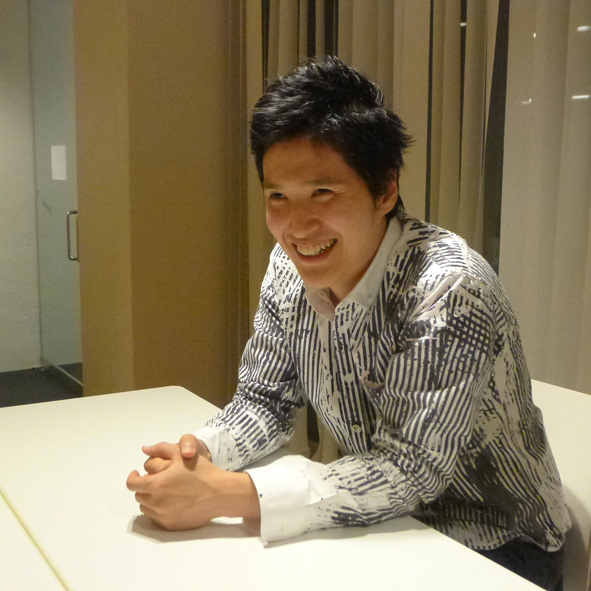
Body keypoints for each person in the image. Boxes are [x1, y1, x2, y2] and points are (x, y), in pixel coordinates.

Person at [127, 56, 570, 590]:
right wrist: (198, 454)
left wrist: (227, 494)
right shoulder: (289, 269)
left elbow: (411, 467)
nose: (297, 227)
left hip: (496, 545)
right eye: (278, 196)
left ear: (385, 190)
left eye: (323, 193)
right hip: (383, 522)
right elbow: (265, 401)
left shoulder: (448, 287)